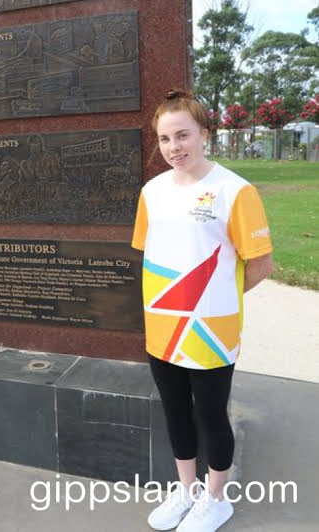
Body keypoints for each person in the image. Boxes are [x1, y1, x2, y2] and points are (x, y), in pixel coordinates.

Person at [131, 89, 273, 532]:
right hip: (163, 327)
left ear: (204, 135)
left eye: (183, 135)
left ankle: (216, 498)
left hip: (210, 330)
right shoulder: (152, 192)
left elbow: (261, 264)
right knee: (174, 410)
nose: (175, 147)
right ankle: (187, 489)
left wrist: (216, 301)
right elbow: (149, 251)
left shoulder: (235, 191)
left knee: (210, 414)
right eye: (165, 139)